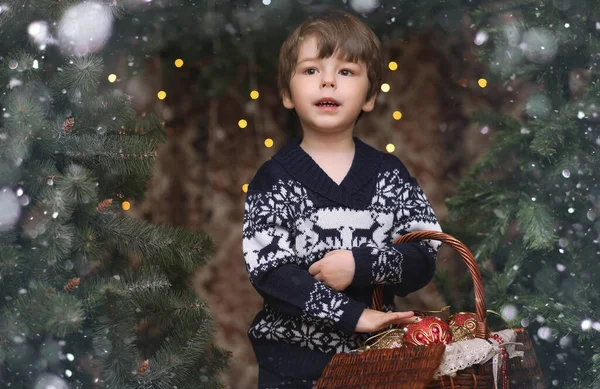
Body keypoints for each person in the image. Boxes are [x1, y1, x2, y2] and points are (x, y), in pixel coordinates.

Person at [242, 10, 442, 389]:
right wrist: (353, 315)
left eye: (346, 71)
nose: (328, 82)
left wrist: (360, 265)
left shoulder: (390, 176)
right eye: (311, 70)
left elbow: (424, 254)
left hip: (378, 366)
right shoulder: (274, 181)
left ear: (368, 96)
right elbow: (273, 274)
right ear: (287, 93)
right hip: (291, 371)